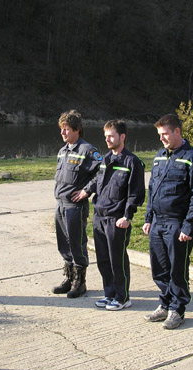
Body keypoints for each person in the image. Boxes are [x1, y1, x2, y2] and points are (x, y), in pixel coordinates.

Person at [142, 114, 193, 329]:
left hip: (178, 223)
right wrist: (148, 218)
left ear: (177, 131)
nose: (161, 138)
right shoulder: (159, 157)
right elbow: (152, 189)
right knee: (159, 269)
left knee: (177, 270)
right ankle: (165, 304)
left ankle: (177, 309)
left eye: (165, 134)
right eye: (159, 134)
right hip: (158, 223)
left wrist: (189, 226)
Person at [72, 120, 145, 310]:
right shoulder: (105, 159)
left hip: (117, 219)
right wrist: (87, 190)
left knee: (116, 260)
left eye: (111, 136)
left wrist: (127, 216)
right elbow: (98, 179)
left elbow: (136, 193)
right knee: (103, 260)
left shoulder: (132, 162)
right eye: (106, 136)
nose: (108, 140)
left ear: (122, 137)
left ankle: (122, 297)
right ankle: (109, 293)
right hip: (99, 217)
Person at [51, 110, 102, 298]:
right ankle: (69, 277)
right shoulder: (63, 151)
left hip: (75, 206)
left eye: (66, 129)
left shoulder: (88, 150)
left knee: (76, 243)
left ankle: (80, 282)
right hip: (60, 204)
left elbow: (101, 172)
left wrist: (86, 190)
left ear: (77, 129)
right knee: (63, 243)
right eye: (61, 129)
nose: (62, 133)